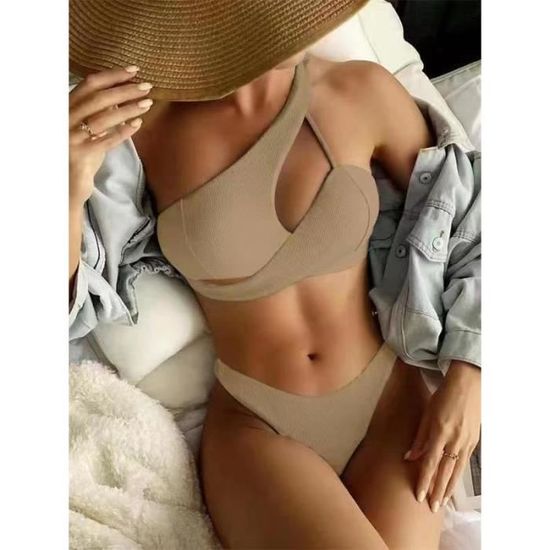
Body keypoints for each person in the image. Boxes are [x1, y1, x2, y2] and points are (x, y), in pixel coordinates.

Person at [69, 1, 481, 548]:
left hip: (391, 405)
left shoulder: (361, 91)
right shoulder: (143, 131)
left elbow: (472, 220)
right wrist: (68, 182)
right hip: (259, 426)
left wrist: (472, 371)